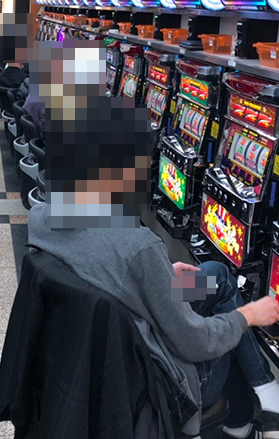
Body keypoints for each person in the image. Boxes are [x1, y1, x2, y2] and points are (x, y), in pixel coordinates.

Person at [27, 96, 279, 439]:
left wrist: (163, 273)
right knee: (232, 316)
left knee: (219, 279)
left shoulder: (41, 215)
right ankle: (258, 402)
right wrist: (249, 316)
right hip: (154, 385)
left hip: (105, 333)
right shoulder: (137, 246)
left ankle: (252, 406)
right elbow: (196, 342)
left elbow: (115, 270)